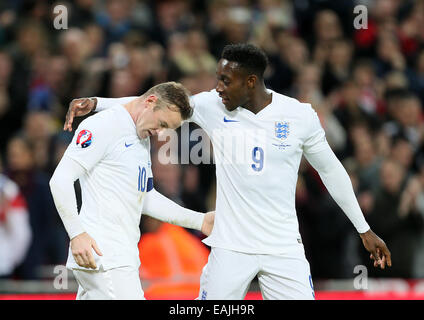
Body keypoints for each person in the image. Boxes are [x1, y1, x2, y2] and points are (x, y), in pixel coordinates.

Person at [64, 44, 391, 300]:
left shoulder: (299, 116)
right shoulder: (211, 106)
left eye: (225, 80)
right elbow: (155, 104)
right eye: (218, 78)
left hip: (283, 247)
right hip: (230, 247)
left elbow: (332, 171)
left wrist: (363, 228)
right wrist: (99, 103)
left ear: (251, 82)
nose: (217, 86)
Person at [50, 81, 214, 300]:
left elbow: (145, 198)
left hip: (122, 255)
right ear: (150, 102)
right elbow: (60, 180)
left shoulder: (140, 135)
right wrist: (77, 234)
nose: (160, 132)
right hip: (104, 256)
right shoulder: (103, 125)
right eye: (162, 123)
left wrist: (200, 221)